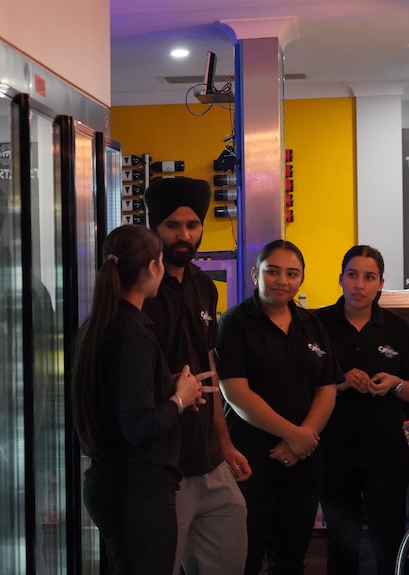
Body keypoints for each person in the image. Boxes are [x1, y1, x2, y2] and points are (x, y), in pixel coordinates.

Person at [71, 224, 210, 575]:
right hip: (138, 492)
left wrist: (168, 388)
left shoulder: (99, 326)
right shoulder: (132, 332)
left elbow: (116, 399)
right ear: (153, 267)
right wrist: (178, 400)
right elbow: (138, 425)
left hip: (115, 483)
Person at [142, 176, 250, 575]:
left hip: (208, 460)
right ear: (154, 226)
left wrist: (224, 443)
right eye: (173, 225)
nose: (184, 235)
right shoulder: (138, 287)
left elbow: (209, 368)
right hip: (160, 465)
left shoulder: (205, 286)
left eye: (192, 225)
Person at [213, 239, 341, 575]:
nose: (282, 280)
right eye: (273, 271)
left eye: (292, 273)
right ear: (256, 275)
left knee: (290, 559)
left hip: (303, 463)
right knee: (246, 557)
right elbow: (236, 393)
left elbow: (326, 388)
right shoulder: (234, 323)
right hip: (250, 462)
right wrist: (292, 435)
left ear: (301, 279)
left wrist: (304, 438)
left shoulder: (311, 324)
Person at [313, 245, 409, 575]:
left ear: (381, 283)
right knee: (342, 544)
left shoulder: (398, 328)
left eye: (369, 278)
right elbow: (297, 383)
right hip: (333, 450)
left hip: (387, 453)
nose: (360, 285)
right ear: (341, 279)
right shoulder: (316, 324)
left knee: (388, 538)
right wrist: (337, 382)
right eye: (353, 275)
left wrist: (396, 383)